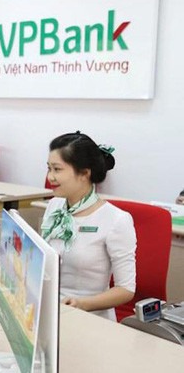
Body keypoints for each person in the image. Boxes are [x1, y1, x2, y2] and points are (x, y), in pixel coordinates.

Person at [41, 131, 136, 321]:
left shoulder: (116, 220)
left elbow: (125, 290)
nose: (50, 177)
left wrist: (82, 304)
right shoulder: (54, 206)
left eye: (57, 169)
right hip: (48, 309)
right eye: (49, 168)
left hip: (89, 317)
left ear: (85, 173)